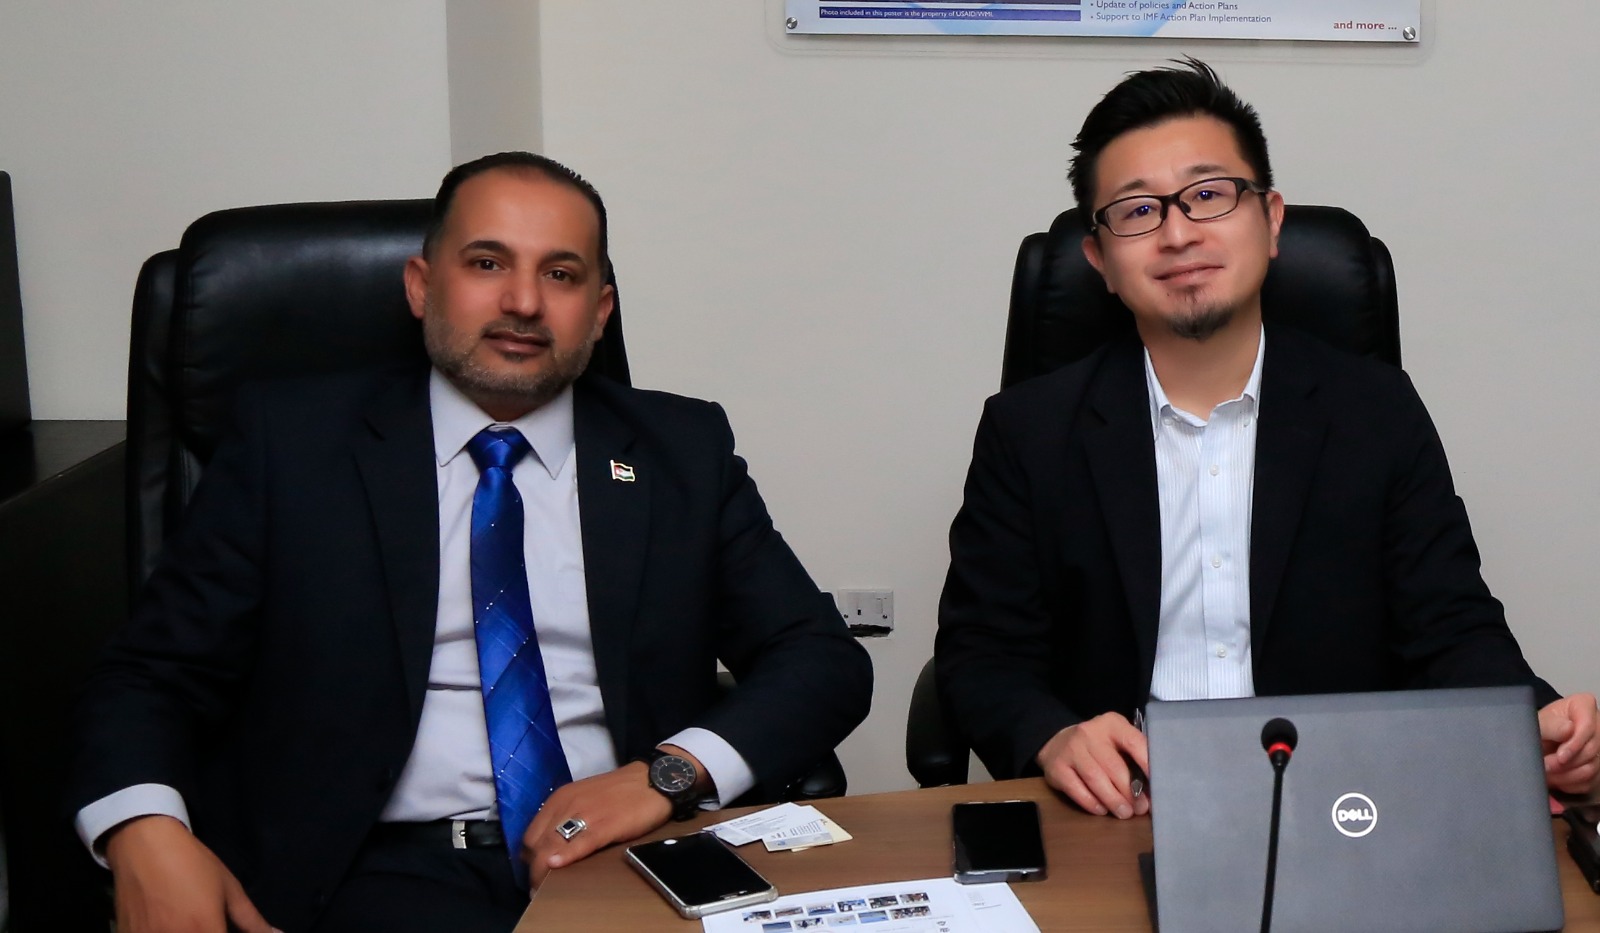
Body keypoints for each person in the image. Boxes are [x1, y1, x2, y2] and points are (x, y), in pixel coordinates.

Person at [69, 152, 872, 933]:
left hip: (623, 859)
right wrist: (144, 832)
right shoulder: (293, 443)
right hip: (368, 872)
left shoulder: (679, 450)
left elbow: (819, 658)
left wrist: (666, 776)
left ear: (599, 311)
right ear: (422, 286)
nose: (523, 301)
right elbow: (150, 675)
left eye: (560, 274)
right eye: (488, 263)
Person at [934, 59, 1597, 823]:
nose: (1178, 232)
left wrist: (1537, 727)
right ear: (1100, 261)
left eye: (1209, 195)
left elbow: (1449, 627)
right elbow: (983, 652)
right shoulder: (1030, 429)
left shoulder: (1375, 411)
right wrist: (1052, 736)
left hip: (1342, 807)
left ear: (1272, 219)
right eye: (1138, 211)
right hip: (1126, 812)